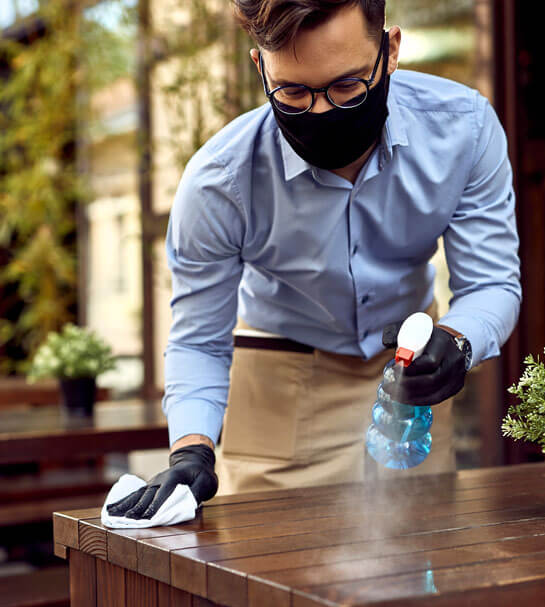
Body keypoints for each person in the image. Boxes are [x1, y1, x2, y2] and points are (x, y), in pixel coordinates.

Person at [107, 0, 521, 521]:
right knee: (267, 581)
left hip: (411, 383)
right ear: (261, 66)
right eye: (295, 92)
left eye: (347, 86)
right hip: (281, 391)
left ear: (390, 51)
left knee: (419, 570)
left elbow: (492, 284)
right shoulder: (221, 180)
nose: (322, 112)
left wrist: (457, 343)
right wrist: (192, 447)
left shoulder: (464, 130)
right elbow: (197, 338)